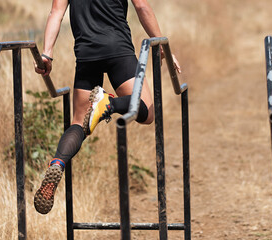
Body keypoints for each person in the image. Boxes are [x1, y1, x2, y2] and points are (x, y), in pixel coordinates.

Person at [33, 0, 181, 214]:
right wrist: (160, 43)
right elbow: (142, 7)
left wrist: (46, 53)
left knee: (79, 123)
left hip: (85, 54)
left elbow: (55, 13)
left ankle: (58, 162)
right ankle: (108, 104)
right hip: (118, 49)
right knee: (147, 111)